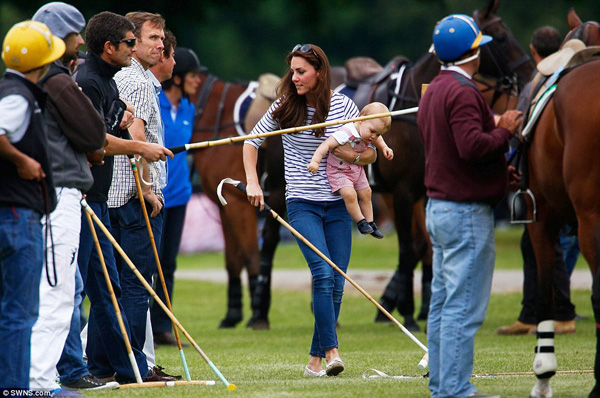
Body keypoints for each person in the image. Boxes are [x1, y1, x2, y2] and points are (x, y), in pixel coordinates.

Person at [244, 43, 375, 377]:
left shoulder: (344, 104)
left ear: (320, 72)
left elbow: (369, 152)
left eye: (301, 71)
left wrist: (351, 157)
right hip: (301, 202)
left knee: (337, 282)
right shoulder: (284, 105)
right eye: (293, 71)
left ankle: (314, 362)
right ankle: (332, 352)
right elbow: (251, 142)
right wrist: (253, 183)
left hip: (338, 205)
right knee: (323, 273)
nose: (295, 77)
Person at [418, 14, 523, 398]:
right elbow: (471, 146)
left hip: (441, 208)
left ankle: (443, 388)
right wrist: (505, 130)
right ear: (473, 52)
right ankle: (456, 391)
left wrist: (498, 175)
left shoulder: (435, 90)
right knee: (464, 309)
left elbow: (453, 154)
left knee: (444, 306)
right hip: (465, 214)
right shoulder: (463, 91)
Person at [74, 11, 173, 384]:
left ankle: (119, 367)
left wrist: (123, 118)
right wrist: (144, 178)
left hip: (104, 197)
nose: (158, 46)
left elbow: (118, 120)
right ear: (110, 47)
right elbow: (100, 139)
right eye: (141, 40)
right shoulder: (104, 78)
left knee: (108, 289)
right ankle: (105, 367)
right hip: (110, 198)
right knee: (107, 289)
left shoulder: (113, 77)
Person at [29, 3, 117, 394]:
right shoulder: (58, 79)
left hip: (45, 196)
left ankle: (37, 379)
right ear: (55, 36)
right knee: (59, 293)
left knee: (59, 291)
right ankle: (39, 382)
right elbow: (95, 135)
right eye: (74, 33)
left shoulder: (26, 79)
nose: (81, 42)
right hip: (60, 195)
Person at [497, 26, 577, 336]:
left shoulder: (538, 83)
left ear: (533, 51)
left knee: (546, 242)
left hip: (538, 182)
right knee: (532, 244)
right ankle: (530, 313)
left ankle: (563, 313)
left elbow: (520, 126)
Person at [0, 20, 63, 391]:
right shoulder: (17, 95)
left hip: (14, 213)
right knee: (19, 312)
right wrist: (22, 160)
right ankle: (13, 389)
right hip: (16, 215)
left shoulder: (10, 89)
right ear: (42, 63)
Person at [111, 11, 171, 375]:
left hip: (124, 196)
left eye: (162, 38)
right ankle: (132, 365)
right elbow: (137, 139)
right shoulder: (136, 82)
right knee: (135, 286)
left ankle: (110, 363)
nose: (160, 44)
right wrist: (147, 190)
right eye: (152, 38)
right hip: (134, 200)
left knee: (119, 288)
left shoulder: (136, 78)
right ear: (132, 43)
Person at [150, 47, 202, 346]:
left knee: (168, 263)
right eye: (194, 75)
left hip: (180, 195)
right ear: (179, 77)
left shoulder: (188, 108)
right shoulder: (153, 102)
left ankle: (161, 325)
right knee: (147, 262)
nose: (199, 81)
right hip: (154, 196)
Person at [308, 101, 392, 239]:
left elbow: (378, 140)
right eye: (372, 132)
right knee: (349, 194)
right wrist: (315, 161)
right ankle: (360, 221)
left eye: (377, 134)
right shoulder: (346, 132)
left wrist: (384, 148)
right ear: (362, 119)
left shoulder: (370, 131)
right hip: (339, 171)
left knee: (366, 193)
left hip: (356, 169)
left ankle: (371, 222)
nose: (374, 137)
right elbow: (326, 145)